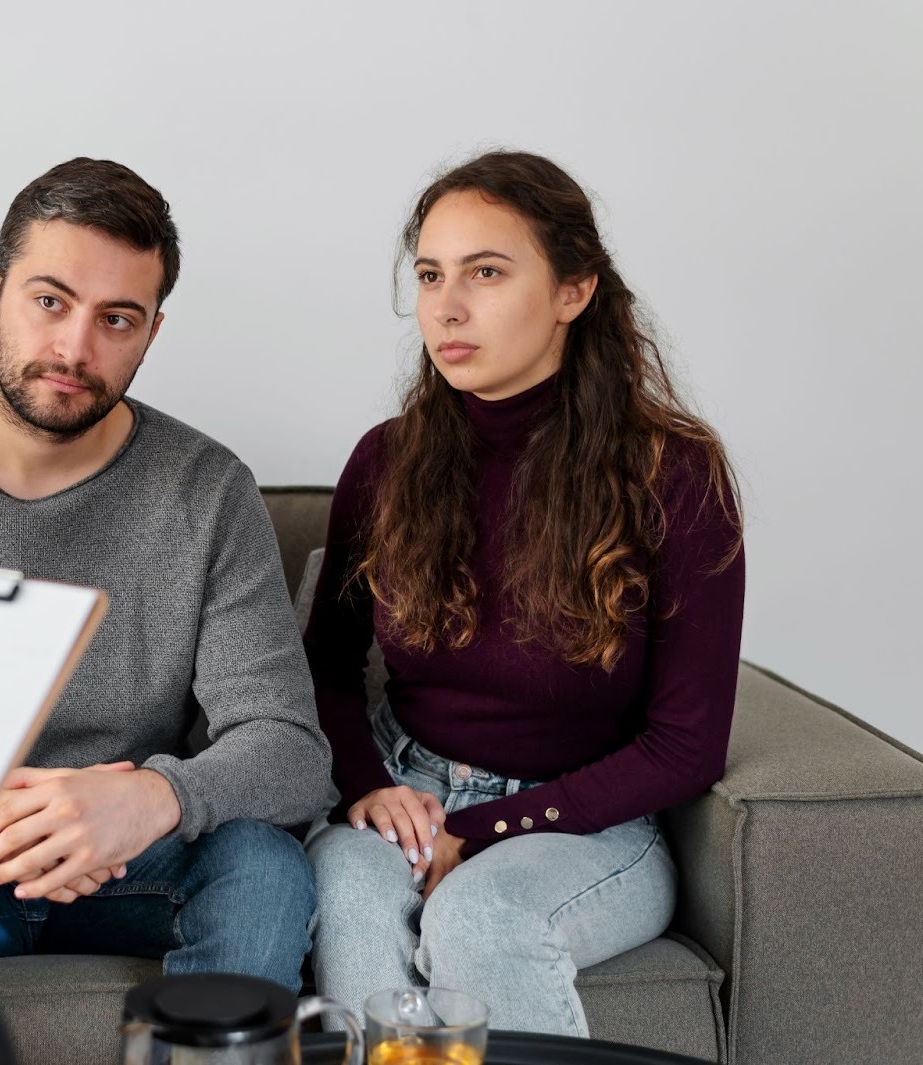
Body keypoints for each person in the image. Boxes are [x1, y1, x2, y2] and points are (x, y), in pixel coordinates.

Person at [0, 157, 331, 992]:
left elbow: (290, 750)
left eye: (117, 318)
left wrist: (152, 798)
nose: (75, 349)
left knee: (264, 864)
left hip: (136, 858)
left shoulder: (208, 490)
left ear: (151, 332)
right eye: (50, 301)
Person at [304, 151, 745, 1034]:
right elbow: (323, 665)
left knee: (480, 915)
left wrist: (498, 825)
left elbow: (686, 747)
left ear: (574, 290)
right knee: (349, 901)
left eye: (487, 273)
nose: (447, 306)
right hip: (404, 786)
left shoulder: (675, 475)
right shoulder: (386, 460)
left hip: (584, 821)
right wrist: (366, 786)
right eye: (430, 275)